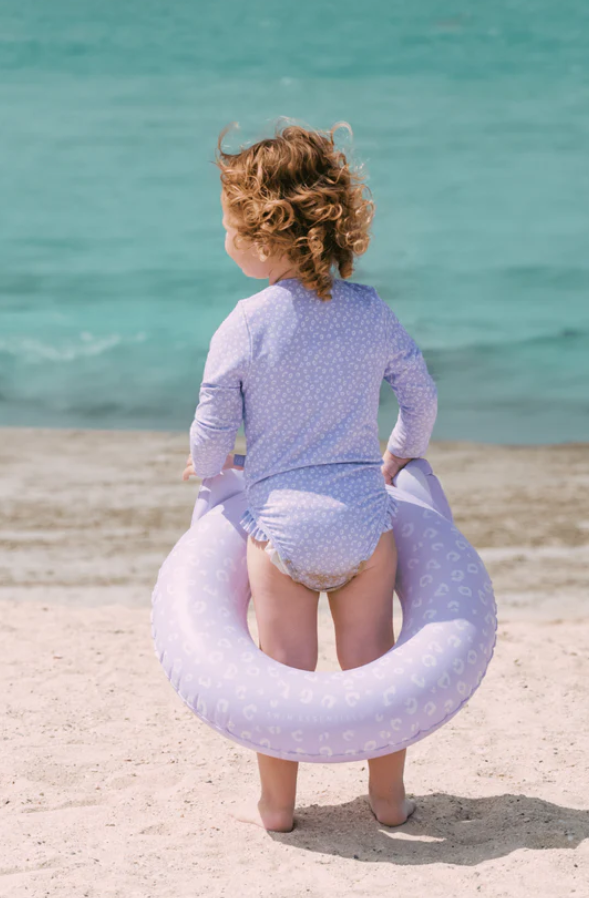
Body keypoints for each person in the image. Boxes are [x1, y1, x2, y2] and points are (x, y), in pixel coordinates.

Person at [181, 121, 438, 832]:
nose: (224, 238)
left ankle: (277, 808)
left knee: (283, 673)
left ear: (264, 235)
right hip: (364, 518)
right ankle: (388, 800)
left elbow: (211, 425)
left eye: (229, 226)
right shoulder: (370, 311)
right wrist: (399, 454)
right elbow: (420, 397)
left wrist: (210, 468)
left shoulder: (244, 324)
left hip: (279, 528)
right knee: (374, 668)